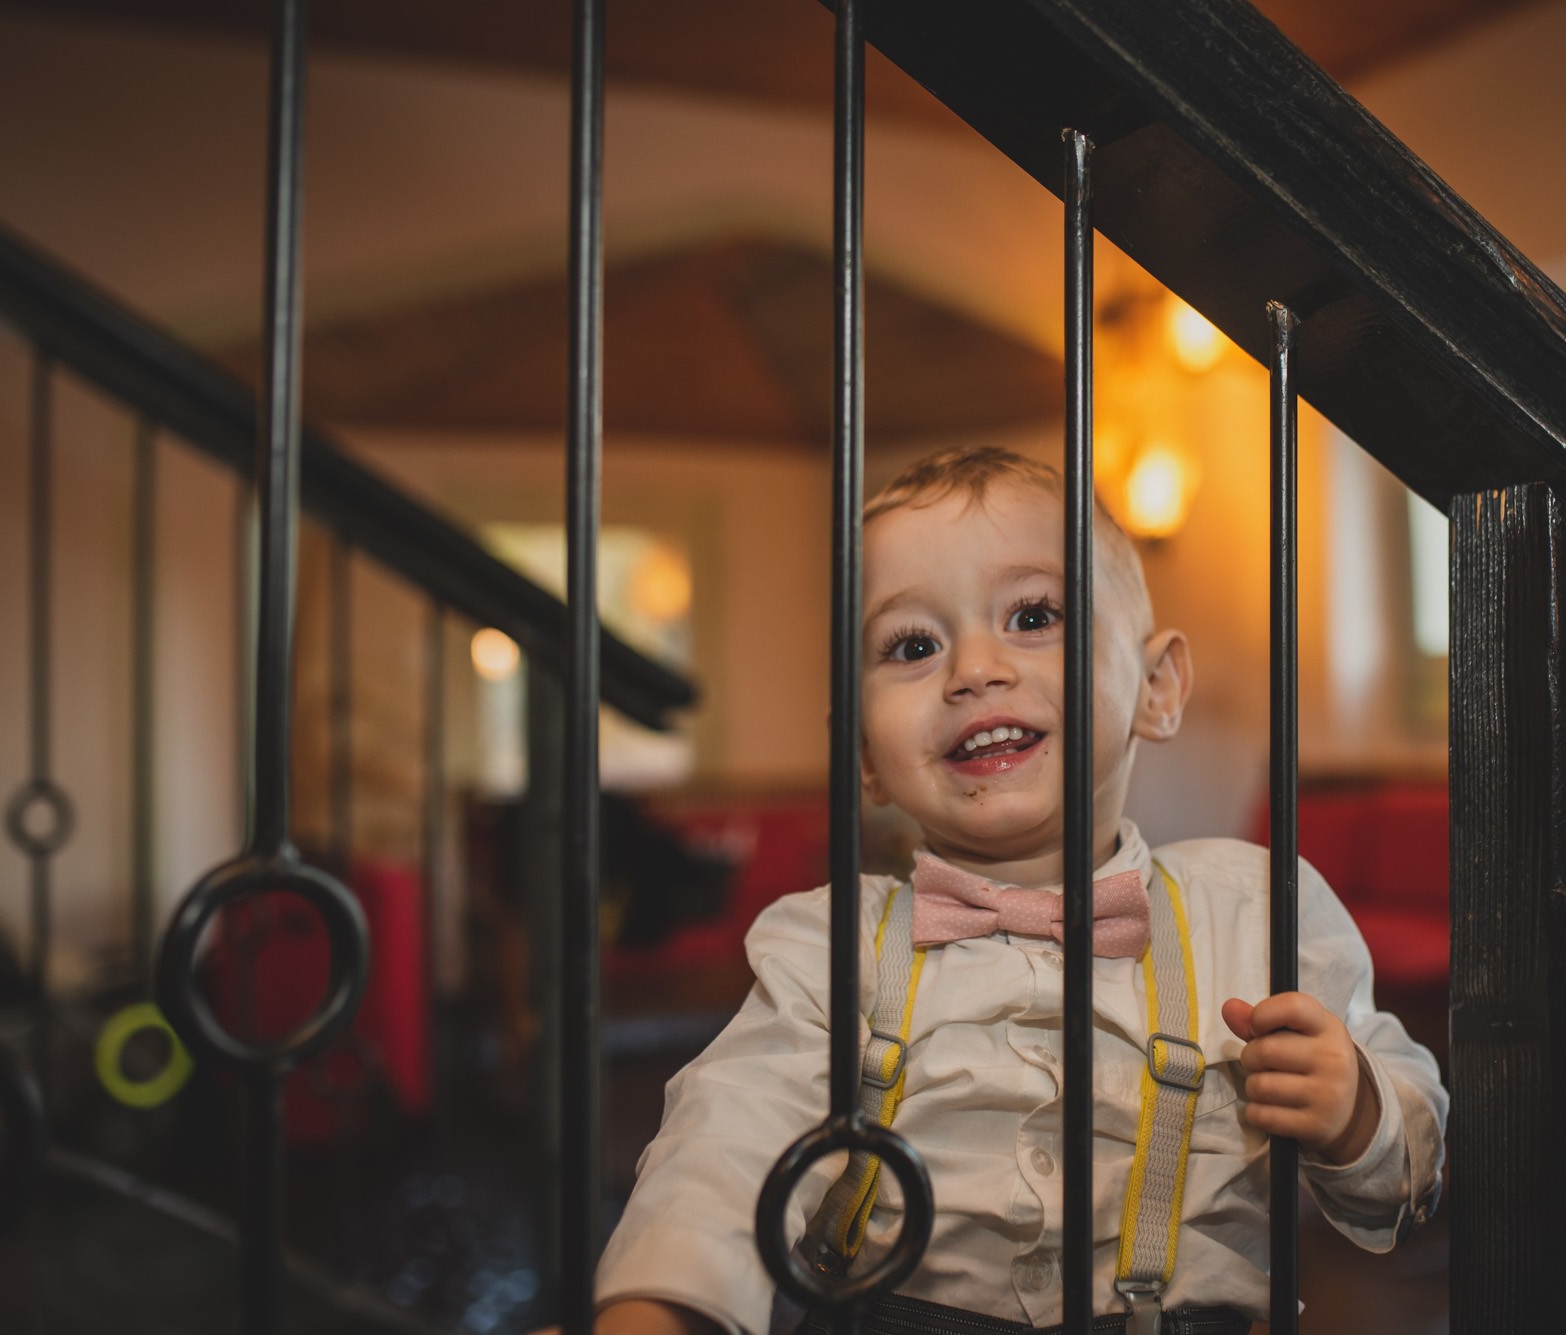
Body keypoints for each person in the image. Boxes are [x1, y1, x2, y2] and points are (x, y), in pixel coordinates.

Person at [591, 446, 1447, 1335]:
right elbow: (723, 1145)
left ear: (1156, 687)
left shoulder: (1255, 910)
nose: (974, 668)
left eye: (1034, 616)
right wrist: (660, 1309)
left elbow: (1411, 1175)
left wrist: (1357, 1110)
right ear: (864, 754)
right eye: (914, 645)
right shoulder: (829, 944)